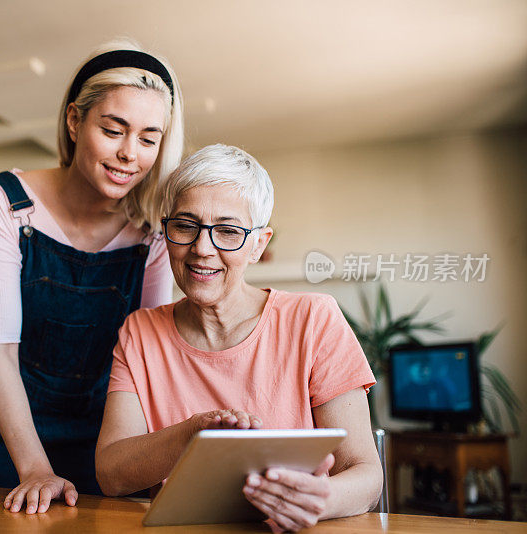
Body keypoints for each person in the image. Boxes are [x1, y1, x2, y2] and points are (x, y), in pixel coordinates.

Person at [0, 40, 184, 515]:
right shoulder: (9, 202)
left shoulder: (153, 231)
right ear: (75, 121)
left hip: (97, 430)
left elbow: (148, 361)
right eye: (113, 130)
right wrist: (34, 469)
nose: (129, 154)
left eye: (149, 139)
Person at [95, 144, 383, 532]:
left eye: (228, 231)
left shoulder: (314, 318)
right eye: (185, 225)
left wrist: (317, 500)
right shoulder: (140, 331)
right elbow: (111, 474)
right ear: (166, 231)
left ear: (257, 245)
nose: (201, 249)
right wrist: (193, 435)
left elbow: (364, 472)